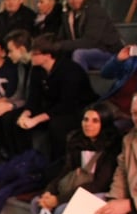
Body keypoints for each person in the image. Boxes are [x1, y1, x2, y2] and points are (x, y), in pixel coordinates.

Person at [29, 103, 122, 214]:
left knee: (63, 210)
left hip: (99, 192)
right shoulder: (77, 140)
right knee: (37, 203)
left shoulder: (112, 146)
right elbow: (66, 171)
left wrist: (59, 199)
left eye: (95, 121)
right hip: (74, 189)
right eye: (86, 120)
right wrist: (49, 191)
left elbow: (100, 184)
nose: (88, 124)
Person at [13, 33, 97, 162]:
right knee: (14, 119)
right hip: (52, 108)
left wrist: (36, 120)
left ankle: (58, 163)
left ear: (47, 56)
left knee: (57, 125)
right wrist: (26, 114)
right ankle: (23, 160)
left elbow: (67, 104)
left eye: (35, 53)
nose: (31, 56)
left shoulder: (70, 71)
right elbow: (33, 97)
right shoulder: (37, 69)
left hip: (77, 110)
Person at [58, 0, 123, 71]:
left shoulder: (96, 11)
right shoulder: (68, 16)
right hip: (86, 51)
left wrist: (59, 45)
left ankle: (80, 80)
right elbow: (62, 39)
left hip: (108, 52)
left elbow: (90, 41)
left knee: (79, 54)